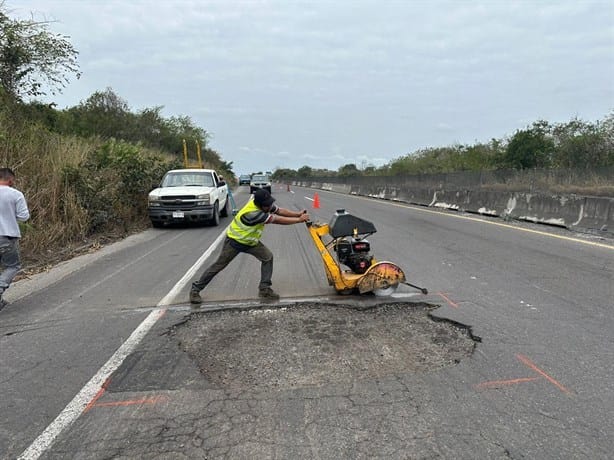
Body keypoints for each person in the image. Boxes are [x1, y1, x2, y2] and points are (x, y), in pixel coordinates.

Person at [189, 188, 309, 304]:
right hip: (235, 242)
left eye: (269, 204)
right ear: (260, 205)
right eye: (267, 205)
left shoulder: (263, 206)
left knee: (268, 257)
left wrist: (297, 214)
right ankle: (195, 290)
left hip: (250, 243)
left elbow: (279, 211)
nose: (269, 206)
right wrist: (299, 220)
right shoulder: (253, 213)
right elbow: (277, 219)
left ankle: (264, 289)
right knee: (218, 266)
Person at [0, 168, 30, 310]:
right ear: (10, 180)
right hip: (6, 236)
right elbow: (24, 216)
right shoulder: (15, 194)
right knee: (12, 266)